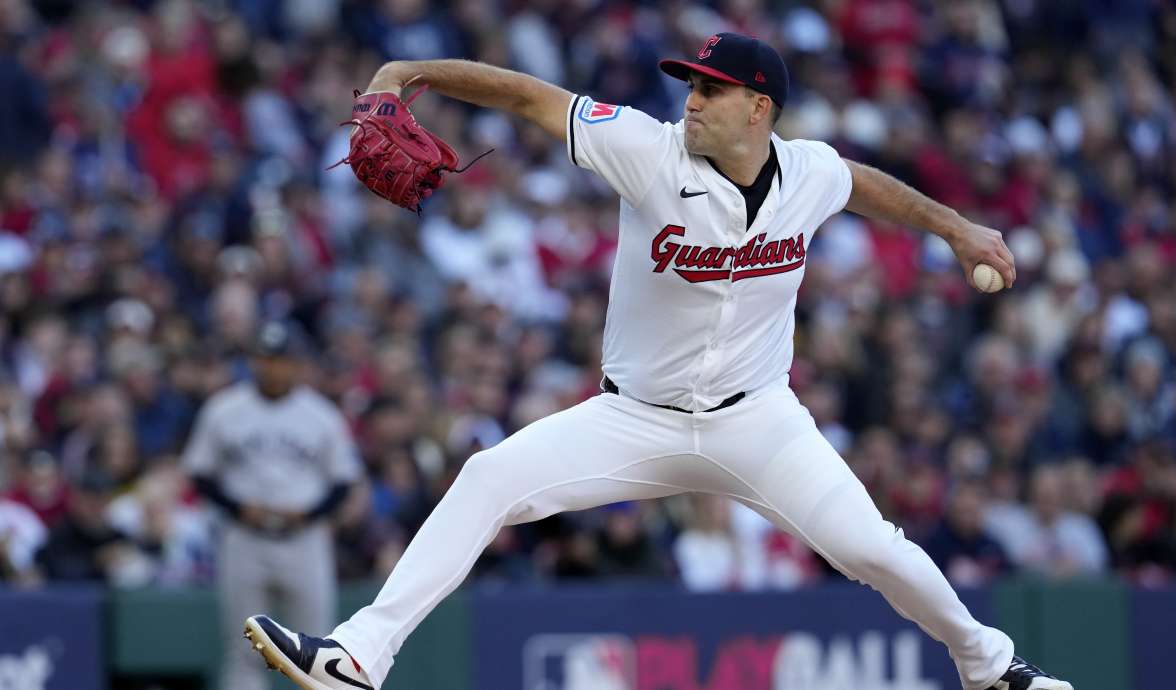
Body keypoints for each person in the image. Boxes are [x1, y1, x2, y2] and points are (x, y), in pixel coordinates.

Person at [243, 34, 1073, 690]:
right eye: (690, 83)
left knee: (877, 552)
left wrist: (956, 228)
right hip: (632, 418)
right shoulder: (648, 150)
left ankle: (989, 667)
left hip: (759, 420)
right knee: (487, 478)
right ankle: (358, 656)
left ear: (760, 107)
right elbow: (531, 96)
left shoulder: (808, 171)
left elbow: (858, 182)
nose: (693, 99)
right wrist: (409, 70)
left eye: (712, 88)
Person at [185, 321, 361, 690]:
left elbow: (344, 481)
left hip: (304, 539)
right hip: (245, 538)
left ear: (297, 364)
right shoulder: (224, 409)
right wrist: (236, 507)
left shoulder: (321, 415)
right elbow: (200, 473)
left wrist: (310, 513)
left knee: (318, 650)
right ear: (253, 362)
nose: (273, 368)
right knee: (243, 650)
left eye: (281, 360)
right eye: (266, 359)